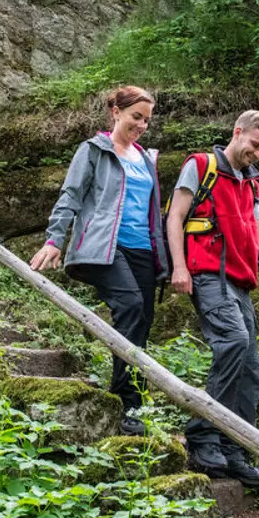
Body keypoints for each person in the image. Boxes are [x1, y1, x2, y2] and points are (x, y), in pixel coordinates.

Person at [165, 110, 259, 486]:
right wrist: (179, 268)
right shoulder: (201, 166)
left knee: (248, 369)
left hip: (240, 282)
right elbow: (175, 217)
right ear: (237, 132)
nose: (257, 153)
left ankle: (235, 448)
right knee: (233, 341)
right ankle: (201, 436)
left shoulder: (252, 185)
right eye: (254, 144)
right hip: (207, 274)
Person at [29, 86, 167, 437]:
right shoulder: (93, 150)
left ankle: (133, 405)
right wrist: (54, 239)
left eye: (147, 120)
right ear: (115, 112)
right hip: (105, 245)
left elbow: (154, 213)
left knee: (141, 322)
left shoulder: (147, 159)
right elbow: (71, 195)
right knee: (131, 305)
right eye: (136, 116)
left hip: (144, 251)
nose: (141, 125)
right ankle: (123, 400)